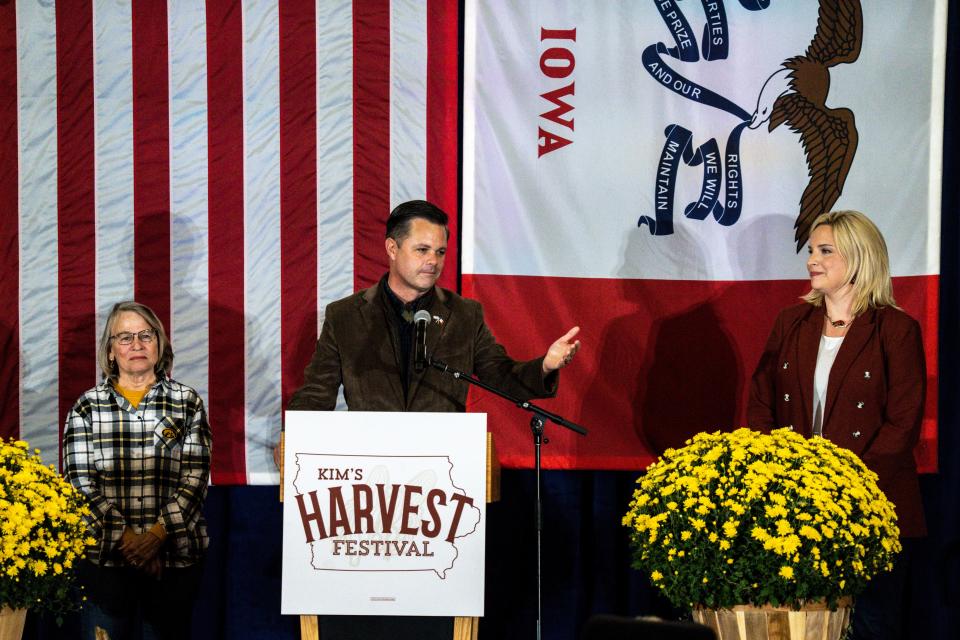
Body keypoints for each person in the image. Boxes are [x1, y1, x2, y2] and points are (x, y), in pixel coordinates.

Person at [285, 199, 580, 639]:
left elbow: (500, 376)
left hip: (438, 492)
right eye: (422, 250)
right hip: (367, 494)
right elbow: (316, 393)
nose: (433, 262)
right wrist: (294, 440)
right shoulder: (346, 317)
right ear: (391, 247)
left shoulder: (464, 315)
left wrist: (546, 366)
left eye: (440, 252)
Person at [747, 210, 925, 640]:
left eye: (825, 251)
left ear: (859, 258)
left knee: (868, 627)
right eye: (811, 251)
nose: (812, 260)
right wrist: (782, 480)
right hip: (795, 512)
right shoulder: (791, 323)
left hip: (872, 511)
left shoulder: (896, 329)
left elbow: (902, 425)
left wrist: (844, 491)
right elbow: (760, 405)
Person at [64, 301, 211, 640]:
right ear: (111, 350)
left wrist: (156, 537)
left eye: (146, 335)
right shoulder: (86, 406)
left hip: (175, 558)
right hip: (105, 560)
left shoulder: (187, 401)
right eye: (125, 337)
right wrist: (132, 542)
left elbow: (196, 478)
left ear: (159, 344)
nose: (137, 345)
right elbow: (80, 483)